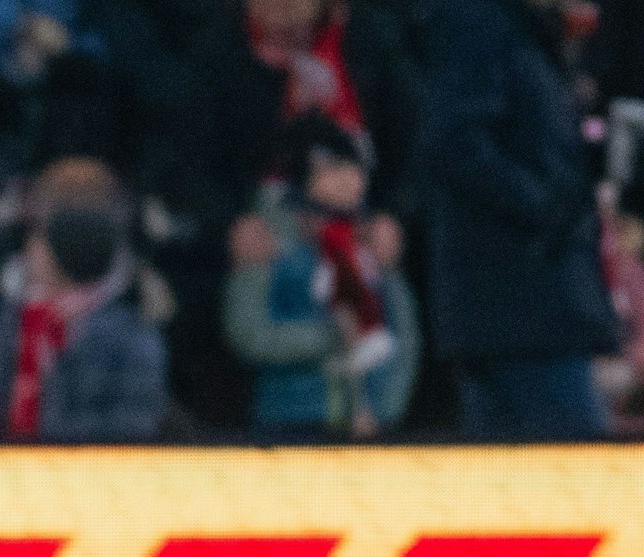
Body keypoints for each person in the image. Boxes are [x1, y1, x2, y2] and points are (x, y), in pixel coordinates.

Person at [417, 0, 620, 439]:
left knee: (507, 487)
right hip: (522, 304)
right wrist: (548, 207)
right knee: (579, 481)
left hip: (524, 305)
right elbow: (455, 142)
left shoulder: (521, 31)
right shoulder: (479, 24)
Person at [224, 114, 419, 440]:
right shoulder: (267, 240)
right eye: (333, 167)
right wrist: (329, 337)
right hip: (291, 421)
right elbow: (248, 332)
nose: (351, 179)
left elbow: (404, 334)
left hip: (373, 426)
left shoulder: (370, 243)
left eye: (353, 167)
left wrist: (389, 408)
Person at [0, 160, 169, 442]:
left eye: (41, 236)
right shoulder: (16, 313)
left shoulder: (130, 329)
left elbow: (132, 430)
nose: (28, 248)